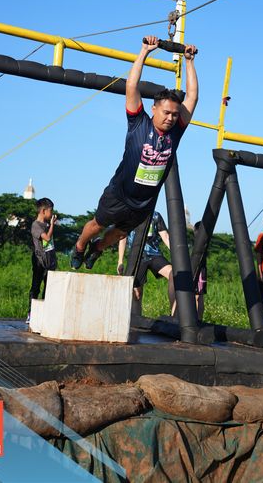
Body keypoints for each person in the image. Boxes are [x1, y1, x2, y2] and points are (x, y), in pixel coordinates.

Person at [71, 35, 198, 269]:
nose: (171, 118)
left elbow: (192, 97)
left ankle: (97, 248)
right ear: (154, 109)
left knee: (120, 233)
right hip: (118, 194)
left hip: (143, 203)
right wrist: (144, 52)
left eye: (174, 114)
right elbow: (131, 86)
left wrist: (189, 62)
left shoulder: (176, 132)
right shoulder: (139, 122)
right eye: (166, 113)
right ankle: (80, 246)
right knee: (97, 225)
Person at [117, 210, 175, 315]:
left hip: (154, 254)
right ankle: (135, 320)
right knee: (137, 294)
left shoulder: (156, 215)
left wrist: (177, 254)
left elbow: (166, 236)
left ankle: (174, 315)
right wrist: (120, 261)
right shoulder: (129, 214)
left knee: (174, 274)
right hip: (137, 256)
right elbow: (122, 238)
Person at [27, 197, 57, 323]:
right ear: (44, 211)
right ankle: (31, 313)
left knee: (48, 288)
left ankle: (44, 314)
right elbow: (47, 238)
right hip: (39, 260)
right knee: (36, 287)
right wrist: (52, 225)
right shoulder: (36, 225)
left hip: (49, 261)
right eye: (51, 211)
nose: (52, 214)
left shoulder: (46, 225)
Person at [192, 221, 208, 321]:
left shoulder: (205, 242)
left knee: (199, 296)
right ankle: (196, 319)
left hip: (201, 270)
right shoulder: (193, 243)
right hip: (194, 269)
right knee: (196, 296)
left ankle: (198, 320)